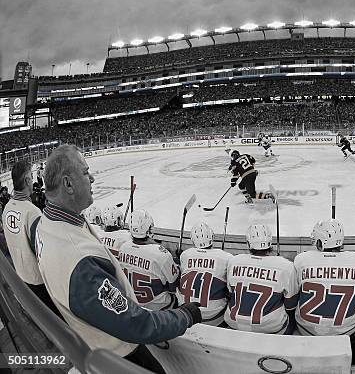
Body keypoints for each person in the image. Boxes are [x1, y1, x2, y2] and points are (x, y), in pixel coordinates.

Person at [35, 144, 201, 373]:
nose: (92, 178)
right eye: (85, 172)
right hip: (119, 355)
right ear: (68, 184)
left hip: (93, 341)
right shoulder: (78, 259)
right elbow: (135, 324)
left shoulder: (47, 224)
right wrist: (184, 316)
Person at [293, 219, 355, 337]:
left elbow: (295, 294)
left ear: (319, 241)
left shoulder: (302, 259)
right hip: (346, 330)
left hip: (306, 329)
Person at [2, 160, 59, 316]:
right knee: (55, 320)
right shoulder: (31, 212)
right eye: (31, 176)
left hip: (21, 275)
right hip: (38, 279)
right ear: (27, 180)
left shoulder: (7, 207)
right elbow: (42, 252)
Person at [224, 224, 298, 334]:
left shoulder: (234, 261)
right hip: (270, 327)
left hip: (234, 323)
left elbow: (230, 293)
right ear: (270, 243)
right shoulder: (286, 266)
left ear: (248, 243)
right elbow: (291, 304)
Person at [118, 209, 179, 311]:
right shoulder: (160, 253)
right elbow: (174, 285)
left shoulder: (123, 247)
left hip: (134, 305)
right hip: (159, 308)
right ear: (149, 228)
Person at [178, 221, 232, 326]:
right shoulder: (226, 257)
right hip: (214, 317)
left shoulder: (185, 255)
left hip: (187, 312)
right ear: (212, 237)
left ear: (192, 240)